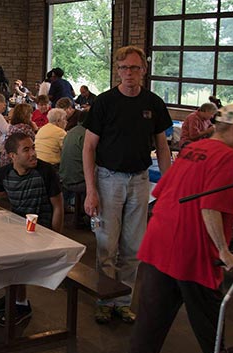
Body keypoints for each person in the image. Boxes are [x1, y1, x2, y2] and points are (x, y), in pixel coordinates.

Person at [129, 104, 233, 353]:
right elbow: (210, 205)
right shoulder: (228, 156)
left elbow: (163, 191)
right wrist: (224, 251)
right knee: (211, 325)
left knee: (149, 323)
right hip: (192, 248)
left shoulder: (192, 149)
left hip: (159, 240)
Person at [82, 46, 172, 325]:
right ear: (117, 71)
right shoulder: (105, 103)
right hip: (109, 179)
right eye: (123, 68)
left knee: (134, 247)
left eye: (134, 68)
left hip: (140, 180)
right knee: (107, 245)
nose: (129, 73)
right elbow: (88, 148)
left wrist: (168, 186)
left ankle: (123, 302)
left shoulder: (153, 103)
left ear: (144, 70)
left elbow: (163, 146)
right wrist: (91, 189)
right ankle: (105, 301)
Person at [0, 132, 64, 326]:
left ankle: (21, 304)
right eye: (26, 150)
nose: (33, 154)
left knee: (14, 256)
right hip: (17, 226)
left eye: (33, 148)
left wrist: (58, 238)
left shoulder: (46, 172)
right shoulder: (3, 174)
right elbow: (3, 193)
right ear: (12, 156)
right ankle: (11, 293)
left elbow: (58, 206)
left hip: (41, 230)